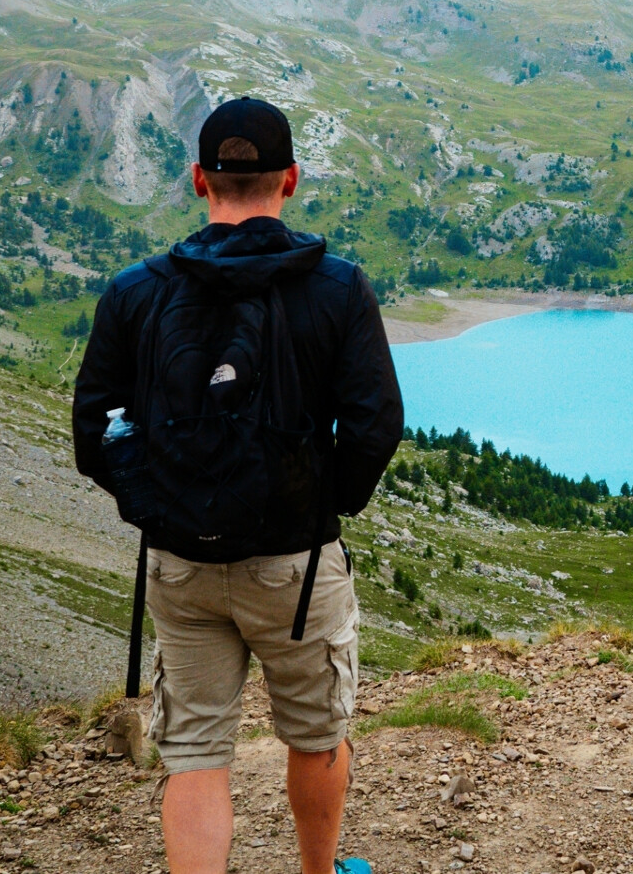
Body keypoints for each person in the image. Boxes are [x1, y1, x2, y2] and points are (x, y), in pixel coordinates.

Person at [73, 96, 402, 874]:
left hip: (180, 562)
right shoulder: (337, 288)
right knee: (317, 734)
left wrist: (154, 498)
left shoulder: (134, 291)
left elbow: (95, 431)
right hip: (296, 567)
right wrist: (328, 503)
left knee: (195, 754)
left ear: (198, 180)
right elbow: (374, 424)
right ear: (291, 179)